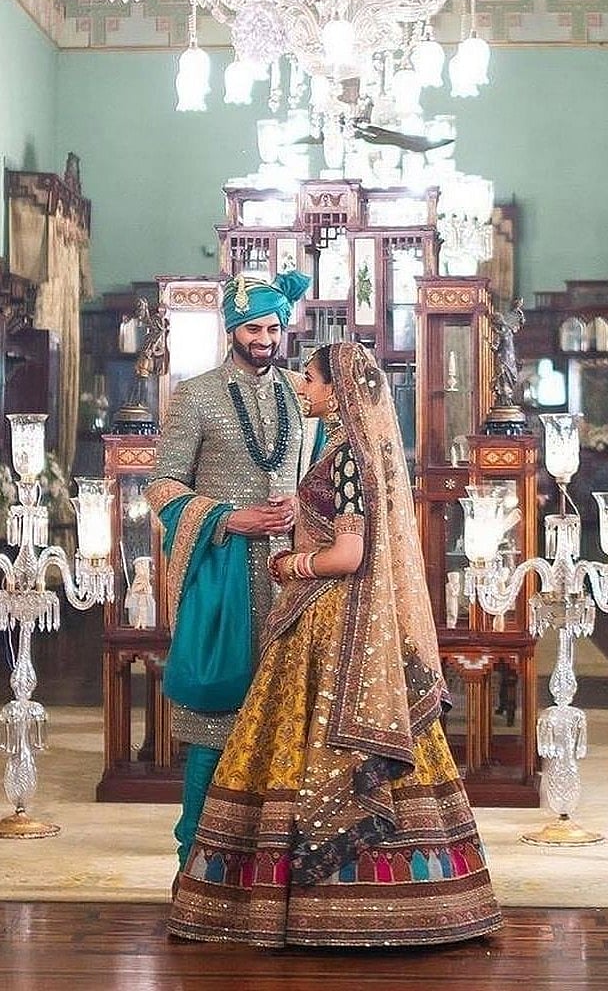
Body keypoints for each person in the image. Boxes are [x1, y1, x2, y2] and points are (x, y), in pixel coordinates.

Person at [168, 341, 502, 948]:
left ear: (337, 390)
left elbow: (348, 556)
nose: (304, 388)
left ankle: (295, 902)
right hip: (333, 619)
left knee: (304, 742)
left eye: (315, 382)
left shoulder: (346, 458)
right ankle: (410, 892)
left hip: (327, 619)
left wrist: (293, 563)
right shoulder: (357, 452)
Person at [145, 270, 321, 876]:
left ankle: (269, 862)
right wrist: (228, 519)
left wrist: (305, 506)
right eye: (254, 328)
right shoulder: (196, 395)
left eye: (275, 327)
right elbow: (162, 486)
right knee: (214, 717)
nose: (267, 338)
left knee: (286, 716)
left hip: (294, 577)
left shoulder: (304, 395)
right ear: (232, 331)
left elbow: (314, 475)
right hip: (221, 576)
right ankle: (192, 860)